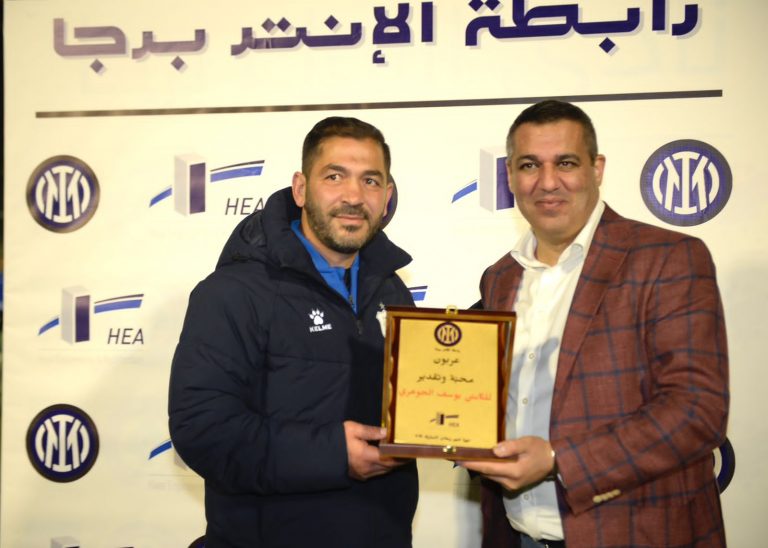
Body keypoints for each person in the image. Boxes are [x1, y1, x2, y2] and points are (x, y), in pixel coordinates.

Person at [460, 100, 729, 547]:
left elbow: (696, 411)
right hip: (518, 534)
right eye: (529, 165)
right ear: (509, 175)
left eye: (565, 163)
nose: (548, 181)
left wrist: (557, 459)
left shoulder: (669, 258)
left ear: (597, 169)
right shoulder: (500, 277)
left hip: (636, 535)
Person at [168, 116, 418, 547]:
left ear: (387, 196)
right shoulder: (232, 292)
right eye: (334, 176)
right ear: (300, 189)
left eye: (370, 180)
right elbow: (204, 431)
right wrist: (333, 454)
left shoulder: (393, 291)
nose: (354, 196)